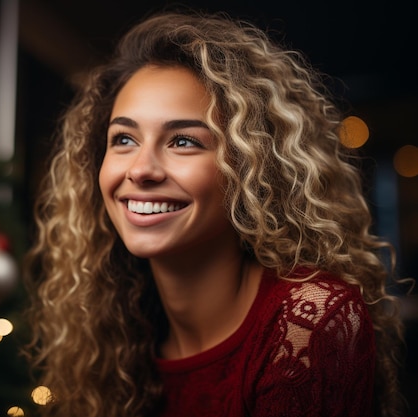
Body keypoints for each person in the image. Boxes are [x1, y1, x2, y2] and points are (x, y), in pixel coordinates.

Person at [24, 9, 408, 417]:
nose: (140, 169)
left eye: (184, 141)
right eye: (124, 139)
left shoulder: (310, 321)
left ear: (249, 167)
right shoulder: (110, 331)